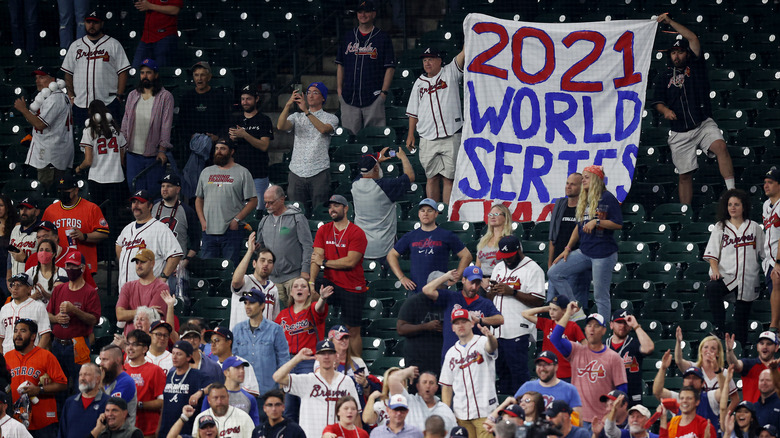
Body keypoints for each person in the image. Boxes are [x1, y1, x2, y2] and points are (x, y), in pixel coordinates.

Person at [650, 13, 735, 206]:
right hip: (679, 131)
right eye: (673, 53)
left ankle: (733, 193)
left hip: (702, 123)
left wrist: (670, 22)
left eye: (680, 52)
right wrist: (665, 111)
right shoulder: (664, 76)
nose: (677, 56)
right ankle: (685, 212)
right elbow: (657, 101)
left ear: (686, 53)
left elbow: (693, 38)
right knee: (684, 175)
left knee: (721, 147)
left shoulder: (696, 66)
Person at [548, 165, 623, 320]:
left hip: (603, 253)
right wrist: (568, 248)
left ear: (596, 179)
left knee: (600, 296)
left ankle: (603, 333)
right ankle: (575, 309)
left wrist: (597, 222)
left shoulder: (607, 197)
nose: (583, 180)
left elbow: (618, 224)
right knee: (554, 272)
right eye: (582, 178)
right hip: (584, 251)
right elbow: (578, 226)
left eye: (587, 177)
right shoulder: (585, 198)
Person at [550, 301, 628, 431]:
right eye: (589, 325)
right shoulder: (576, 350)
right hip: (577, 419)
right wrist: (568, 313)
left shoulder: (614, 358)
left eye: (596, 326)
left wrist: (611, 416)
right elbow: (555, 338)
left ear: (604, 330)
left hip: (602, 420)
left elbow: (622, 392)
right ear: (585, 329)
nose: (592, 329)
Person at [704, 189, 765, 343]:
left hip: (747, 280)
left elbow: (765, 255)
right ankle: (719, 327)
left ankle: (740, 356)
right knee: (712, 288)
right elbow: (712, 254)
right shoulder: (721, 226)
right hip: (727, 277)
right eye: (730, 204)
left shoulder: (754, 228)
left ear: (744, 207)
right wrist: (715, 271)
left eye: (736, 204)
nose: (732, 207)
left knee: (740, 326)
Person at [405, 47, 465, 203]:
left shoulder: (450, 72)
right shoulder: (419, 83)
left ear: (440, 61)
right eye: (425, 60)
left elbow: (464, 54)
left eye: (431, 59)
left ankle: (446, 214)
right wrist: (411, 134)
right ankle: (433, 213)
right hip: (427, 137)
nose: (427, 63)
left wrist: (469, 29)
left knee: (448, 178)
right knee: (431, 177)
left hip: (451, 135)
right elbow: (413, 112)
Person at [310, 194, 368, 356]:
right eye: (330, 207)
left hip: (352, 286)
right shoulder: (324, 229)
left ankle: (358, 367)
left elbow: (351, 262)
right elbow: (316, 258)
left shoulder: (357, 232)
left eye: (336, 206)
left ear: (346, 208)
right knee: (304, 293)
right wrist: (311, 283)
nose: (332, 210)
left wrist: (325, 262)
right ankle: (311, 350)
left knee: (353, 329)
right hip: (331, 283)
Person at [488, 235, 545, 394]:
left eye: (510, 256)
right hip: (498, 331)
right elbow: (489, 298)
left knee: (519, 375)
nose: (507, 260)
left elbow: (539, 301)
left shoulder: (533, 269)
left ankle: (523, 411)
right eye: (504, 256)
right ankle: (507, 412)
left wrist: (512, 292)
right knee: (502, 375)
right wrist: (491, 292)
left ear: (519, 250)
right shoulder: (498, 267)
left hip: (518, 330)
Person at [272, 340, 362, 438]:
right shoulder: (307, 380)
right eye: (322, 353)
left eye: (330, 353)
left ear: (336, 356)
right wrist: (297, 358)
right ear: (316, 357)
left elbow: (356, 415)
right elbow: (277, 377)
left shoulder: (346, 381)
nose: (326, 357)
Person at [273, 277, 331, 420]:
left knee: (307, 404)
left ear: (309, 292)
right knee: (289, 409)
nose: (300, 289)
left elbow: (319, 308)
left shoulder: (312, 309)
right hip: (289, 362)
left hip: (308, 361)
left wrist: (322, 298)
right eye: (296, 286)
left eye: (304, 286)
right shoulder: (282, 315)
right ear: (291, 292)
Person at [335, 0, 395, 135]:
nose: (363, 15)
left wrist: (383, 93)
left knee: (375, 138)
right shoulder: (348, 36)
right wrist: (339, 91)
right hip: (349, 96)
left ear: (374, 14)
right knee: (349, 140)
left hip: (374, 97)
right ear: (356, 15)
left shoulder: (382, 37)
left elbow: (390, 68)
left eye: (367, 11)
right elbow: (340, 65)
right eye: (360, 12)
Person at [388, 198, 472, 294]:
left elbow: (467, 255)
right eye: (422, 211)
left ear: (436, 214)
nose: (425, 213)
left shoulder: (446, 235)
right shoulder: (410, 236)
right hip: (416, 291)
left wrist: (456, 276)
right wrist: (402, 277)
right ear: (419, 214)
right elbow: (391, 255)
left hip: (438, 290)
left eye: (430, 210)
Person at [195, 138, 258, 265]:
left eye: (223, 149)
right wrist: (202, 221)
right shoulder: (206, 172)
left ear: (232, 151)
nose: (219, 152)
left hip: (231, 231)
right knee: (208, 268)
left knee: (229, 268)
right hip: (209, 230)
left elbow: (253, 201)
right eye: (217, 149)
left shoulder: (242, 172)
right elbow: (199, 199)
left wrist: (236, 220)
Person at [276, 82, 339, 209]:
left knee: (320, 209)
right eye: (308, 92)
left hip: (319, 170)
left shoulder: (331, 118)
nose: (310, 95)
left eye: (315, 92)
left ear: (323, 98)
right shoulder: (296, 116)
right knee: (295, 211)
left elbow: (323, 129)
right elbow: (280, 126)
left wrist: (306, 111)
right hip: (296, 171)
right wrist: (288, 105)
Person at [61, 11, 130, 126]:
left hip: (107, 103)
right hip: (81, 104)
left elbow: (123, 71)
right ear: (85, 23)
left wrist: (119, 96)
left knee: (109, 139)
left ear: (102, 23)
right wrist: (71, 96)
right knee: (83, 141)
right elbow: (68, 72)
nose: (91, 25)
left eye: (95, 22)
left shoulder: (113, 44)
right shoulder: (75, 46)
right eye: (89, 22)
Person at [421, 268, 504, 362]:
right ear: (463, 280)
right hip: (451, 357)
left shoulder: (485, 303)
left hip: (475, 359)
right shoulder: (450, 297)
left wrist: (480, 320)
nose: (474, 287)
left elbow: (500, 319)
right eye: (471, 282)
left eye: (477, 283)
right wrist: (446, 276)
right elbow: (427, 290)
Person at [46, 251, 100, 394]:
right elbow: (47, 314)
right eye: (68, 265)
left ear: (82, 268)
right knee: (57, 385)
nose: (70, 269)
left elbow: (94, 319)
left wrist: (74, 310)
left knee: (80, 385)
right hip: (57, 343)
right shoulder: (59, 289)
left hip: (79, 343)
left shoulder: (90, 292)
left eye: (73, 266)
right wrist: (56, 318)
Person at [440, 308, 498, 438]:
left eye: (464, 321)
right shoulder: (451, 353)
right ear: (453, 328)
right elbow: (447, 385)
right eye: (457, 323)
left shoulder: (483, 342)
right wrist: (447, 412)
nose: (460, 325)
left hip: (485, 412)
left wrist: (490, 336)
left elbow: (492, 347)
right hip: (461, 414)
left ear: (472, 323)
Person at [5, 318, 67, 438]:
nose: (17, 335)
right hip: (15, 420)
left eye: (23, 331)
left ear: (33, 336)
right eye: (15, 331)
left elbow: (63, 384)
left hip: (43, 421)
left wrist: (39, 390)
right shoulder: (7, 357)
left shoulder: (46, 356)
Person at [351, 148, 414, 265]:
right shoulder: (385, 186)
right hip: (384, 248)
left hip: (362, 248)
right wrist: (403, 157)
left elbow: (364, 165)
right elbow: (410, 177)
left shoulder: (355, 184)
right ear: (375, 168)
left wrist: (377, 157)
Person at [120, 58, 174, 193]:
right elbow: (125, 122)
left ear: (155, 74)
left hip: (153, 154)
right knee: (135, 190)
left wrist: (162, 150)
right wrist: (122, 148)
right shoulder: (133, 95)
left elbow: (166, 125)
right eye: (142, 73)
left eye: (148, 72)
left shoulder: (165, 97)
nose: (145, 76)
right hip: (132, 153)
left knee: (153, 191)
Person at [14, 67, 74, 189]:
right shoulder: (51, 96)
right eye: (36, 78)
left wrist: (23, 110)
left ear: (52, 79)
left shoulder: (55, 98)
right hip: (50, 150)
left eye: (41, 77)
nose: (37, 81)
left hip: (52, 154)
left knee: (49, 188)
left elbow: (40, 124)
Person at [42, 173, 110, 276]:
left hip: (83, 264)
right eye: (60, 190)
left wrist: (84, 236)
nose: (62, 193)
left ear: (76, 190)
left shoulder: (91, 208)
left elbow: (103, 233)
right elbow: (42, 235)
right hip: (57, 264)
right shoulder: (50, 210)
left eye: (66, 191)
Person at [256, 185, 314, 305]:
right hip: (272, 279)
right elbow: (261, 247)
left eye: (270, 203)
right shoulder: (264, 221)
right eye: (265, 203)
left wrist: (305, 270)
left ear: (282, 199)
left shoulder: (297, 218)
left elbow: (308, 246)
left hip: (294, 277)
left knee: (298, 314)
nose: (266, 206)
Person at [116, 189, 183, 292]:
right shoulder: (127, 229)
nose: (136, 205)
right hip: (124, 292)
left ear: (150, 206)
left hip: (148, 293)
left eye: (141, 202)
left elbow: (175, 254)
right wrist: (124, 261)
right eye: (134, 202)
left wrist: (163, 277)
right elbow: (118, 244)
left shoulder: (160, 228)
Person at [232, 289, 289, 395]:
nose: (247, 306)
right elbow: (233, 359)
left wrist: (282, 388)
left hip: (269, 392)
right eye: (245, 303)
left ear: (262, 305)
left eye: (252, 303)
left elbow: (283, 359)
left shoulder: (275, 330)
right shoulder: (237, 329)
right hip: (243, 391)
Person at [74, 100, 128, 209]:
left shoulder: (89, 131)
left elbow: (88, 161)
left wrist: (79, 168)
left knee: (99, 214)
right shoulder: (117, 131)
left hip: (97, 178)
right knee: (113, 215)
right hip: (116, 178)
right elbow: (122, 159)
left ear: (90, 112)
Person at [153, 172, 200, 293]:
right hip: (153, 263)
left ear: (178, 189)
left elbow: (196, 240)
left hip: (175, 266)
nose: (165, 189)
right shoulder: (153, 207)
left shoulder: (187, 211)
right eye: (163, 186)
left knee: (174, 302)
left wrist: (185, 261)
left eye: (169, 186)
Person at [548, 173, 591, 307]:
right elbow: (552, 237)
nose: (568, 187)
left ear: (581, 186)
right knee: (552, 306)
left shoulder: (587, 208)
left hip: (575, 266)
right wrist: (550, 264)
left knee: (571, 308)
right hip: (557, 263)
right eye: (567, 183)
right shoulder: (560, 205)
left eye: (573, 184)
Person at [228, 85, 275, 208]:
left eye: (248, 98)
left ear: (256, 99)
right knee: (236, 209)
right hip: (238, 174)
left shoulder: (264, 120)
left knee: (258, 210)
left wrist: (244, 135)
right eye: (243, 99)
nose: (245, 102)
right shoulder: (235, 119)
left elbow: (264, 145)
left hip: (258, 174)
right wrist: (232, 139)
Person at [522, 296, 586, 382]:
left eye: (555, 310)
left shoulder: (573, 326)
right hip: (548, 372)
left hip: (567, 373)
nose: (551, 313)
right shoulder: (546, 323)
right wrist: (546, 308)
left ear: (564, 311)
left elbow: (585, 345)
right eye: (550, 309)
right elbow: (525, 314)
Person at [653, 351, 721, 428]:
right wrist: (663, 368)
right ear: (683, 382)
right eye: (688, 378)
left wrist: (717, 371)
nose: (691, 381)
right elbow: (657, 392)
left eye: (695, 378)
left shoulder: (710, 398)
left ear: (703, 383)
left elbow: (723, 392)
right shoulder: (678, 398)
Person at [396, 281, 445, 378]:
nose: (439, 293)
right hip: (417, 358)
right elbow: (401, 329)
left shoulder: (447, 301)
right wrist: (426, 326)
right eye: (437, 289)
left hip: (439, 357)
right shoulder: (414, 301)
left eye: (443, 289)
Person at [159, 341, 207, 437]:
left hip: (186, 429)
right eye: (173, 353)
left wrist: (200, 392)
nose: (174, 357)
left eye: (179, 354)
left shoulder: (196, 374)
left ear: (188, 357)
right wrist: (159, 427)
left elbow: (214, 386)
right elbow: (164, 404)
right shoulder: (170, 375)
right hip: (166, 428)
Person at [387, 367, 458, 433]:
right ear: (418, 386)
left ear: (436, 388)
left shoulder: (445, 409)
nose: (428, 386)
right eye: (424, 382)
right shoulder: (408, 401)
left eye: (431, 383)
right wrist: (408, 371)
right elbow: (392, 379)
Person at [607, 310, 655, 407]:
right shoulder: (603, 346)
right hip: (609, 399)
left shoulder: (635, 344)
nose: (622, 326)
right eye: (619, 322)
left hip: (632, 399)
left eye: (626, 322)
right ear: (611, 325)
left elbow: (649, 348)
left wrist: (636, 325)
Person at [230, 235, 279, 329]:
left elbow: (275, 318)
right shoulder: (245, 281)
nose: (266, 264)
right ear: (254, 263)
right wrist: (249, 251)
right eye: (262, 260)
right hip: (242, 339)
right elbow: (235, 282)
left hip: (264, 340)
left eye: (270, 262)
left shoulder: (273, 288)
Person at [116, 249, 170, 335]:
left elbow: (153, 317)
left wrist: (131, 313)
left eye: (143, 262)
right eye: (137, 262)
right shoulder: (127, 286)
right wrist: (146, 310)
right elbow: (120, 315)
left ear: (152, 263)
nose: (139, 265)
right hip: (129, 341)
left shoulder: (161, 287)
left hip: (149, 341)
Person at [123, 330, 166, 438]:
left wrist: (138, 405)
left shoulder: (156, 370)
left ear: (145, 349)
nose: (130, 348)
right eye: (128, 344)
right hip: (124, 431)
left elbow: (162, 402)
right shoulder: (121, 370)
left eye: (135, 344)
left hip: (147, 431)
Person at [178, 62, 229, 148]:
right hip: (193, 144)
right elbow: (181, 123)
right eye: (196, 75)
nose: (199, 78)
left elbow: (227, 121)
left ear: (209, 77)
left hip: (215, 144)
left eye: (202, 75)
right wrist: (190, 137)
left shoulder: (219, 96)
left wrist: (217, 137)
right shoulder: (187, 97)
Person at [0, 273, 52, 354]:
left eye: (19, 285)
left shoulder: (38, 307)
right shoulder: (4, 308)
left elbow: (45, 335)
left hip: (29, 355)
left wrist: (35, 354)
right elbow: (1, 336)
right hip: (7, 356)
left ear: (29, 289)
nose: (15, 288)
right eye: (13, 284)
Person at [514, 351, 583, 411]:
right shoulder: (527, 386)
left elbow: (576, 421)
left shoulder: (570, 390)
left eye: (546, 365)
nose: (542, 368)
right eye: (539, 365)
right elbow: (513, 411)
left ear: (556, 367)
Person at [727, 331, 779, 403]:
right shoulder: (749, 364)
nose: (765, 347)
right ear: (757, 346)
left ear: (776, 348)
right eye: (761, 343)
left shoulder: (778, 369)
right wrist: (729, 351)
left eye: (769, 344)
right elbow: (735, 365)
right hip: (750, 412)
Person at [204, 327, 260, 396]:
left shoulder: (242, 363)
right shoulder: (212, 367)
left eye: (217, 340)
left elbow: (253, 392)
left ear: (228, 342)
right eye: (211, 341)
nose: (213, 345)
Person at [59, 364, 108, 438]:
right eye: (80, 375)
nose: (82, 378)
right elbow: (62, 432)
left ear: (98, 379)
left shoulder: (108, 402)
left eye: (86, 375)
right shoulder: (69, 402)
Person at [209, 357, 260, 424]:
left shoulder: (250, 398)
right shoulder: (213, 396)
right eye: (237, 368)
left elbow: (254, 426)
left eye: (242, 368)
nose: (242, 371)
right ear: (226, 372)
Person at [131, 0, 181, 67]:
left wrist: (150, 6)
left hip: (165, 36)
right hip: (146, 37)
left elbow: (175, 10)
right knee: (136, 70)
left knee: (161, 71)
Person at [99, 345, 138, 425]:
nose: (101, 364)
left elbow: (111, 408)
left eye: (105, 360)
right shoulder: (107, 378)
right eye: (100, 359)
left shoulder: (126, 382)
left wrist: (99, 386)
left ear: (118, 360)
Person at [762, 168, 780, 330]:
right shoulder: (766, 205)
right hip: (770, 259)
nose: (766, 186)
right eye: (765, 183)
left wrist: (778, 262)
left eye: (770, 182)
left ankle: (774, 327)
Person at [475, 204, 513, 281]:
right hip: (482, 280)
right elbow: (478, 265)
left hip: (501, 279)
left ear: (505, 218)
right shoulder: (483, 240)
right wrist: (480, 281)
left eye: (496, 214)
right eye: (490, 214)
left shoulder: (510, 240)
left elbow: (512, 266)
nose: (492, 217)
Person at [8, 197, 41, 278]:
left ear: (37, 212)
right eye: (21, 208)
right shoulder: (15, 229)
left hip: (32, 280)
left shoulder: (41, 232)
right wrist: (8, 277)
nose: (23, 212)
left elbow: (46, 261)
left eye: (28, 208)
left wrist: (26, 259)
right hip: (15, 280)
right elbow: (10, 257)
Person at [25, 239, 66, 303]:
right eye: (41, 250)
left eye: (47, 250)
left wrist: (46, 295)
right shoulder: (30, 272)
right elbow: (21, 299)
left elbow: (64, 299)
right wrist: (33, 297)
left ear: (54, 254)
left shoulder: (61, 273)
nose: (43, 253)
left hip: (52, 312)